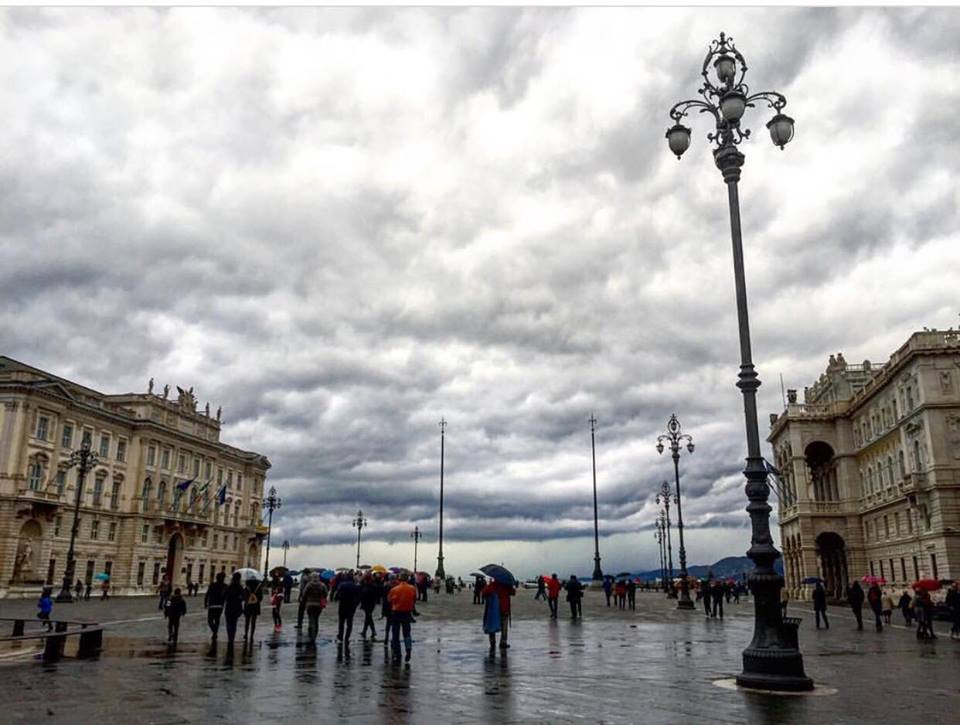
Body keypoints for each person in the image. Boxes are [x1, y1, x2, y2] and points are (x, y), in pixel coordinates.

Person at [387, 572, 418, 662]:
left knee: (395, 634)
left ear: (399, 579)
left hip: (396, 612)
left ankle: (398, 654)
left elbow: (389, 600)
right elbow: (414, 599)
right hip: (407, 613)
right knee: (407, 634)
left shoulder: (394, 589)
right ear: (408, 579)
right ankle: (408, 651)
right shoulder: (412, 588)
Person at [482, 577, 516, 653]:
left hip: (494, 609)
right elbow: (513, 592)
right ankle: (503, 642)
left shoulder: (492, 585)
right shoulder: (506, 585)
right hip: (504, 608)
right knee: (504, 626)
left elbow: (484, 593)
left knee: (492, 625)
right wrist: (511, 586)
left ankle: (492, 642)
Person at [301, 573, 328, 643]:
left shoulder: (309, 585)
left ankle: (311, 634)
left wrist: (304, 602)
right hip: (319, 605)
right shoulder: (322, 585)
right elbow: (326, 594)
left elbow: (304, 594)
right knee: (316, 620)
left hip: (310, 604)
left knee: (311, 619)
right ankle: (315, 634)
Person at [336, 572, 360, 643]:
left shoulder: (341, 585)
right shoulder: (355, 586)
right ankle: (347, 637)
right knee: (349, 623)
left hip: (342, 606)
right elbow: (358, 597)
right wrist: (355, 605)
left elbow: (337, 596)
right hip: (351, 607)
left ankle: (340, 636)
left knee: (341, 622)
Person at [204, 571, 228, 640]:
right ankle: (215, 633)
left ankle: (214, 631)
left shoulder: (212, 585)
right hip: (220, 606)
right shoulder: (225, 586)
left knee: (210, 620)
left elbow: (207, 595)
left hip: (212, 605)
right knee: (217, 620)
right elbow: (226, 597)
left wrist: (205, 603)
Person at [224, 572, 245, 645]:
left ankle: (230, 637)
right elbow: (243, 597)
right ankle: (232, 637)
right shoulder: (240, 587)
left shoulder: (229, 586)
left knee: (229, 623)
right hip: (236, 608)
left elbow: (224, 596)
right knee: (234, 623)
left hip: (229, 607)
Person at [360, 574, 381, 640]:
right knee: (368, 617)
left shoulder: (368, 586)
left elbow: (363, 593)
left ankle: (373, 631)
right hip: (371, 604)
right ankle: (364, 631)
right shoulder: (373, 585)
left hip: (367, 604)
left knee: (369, 617)